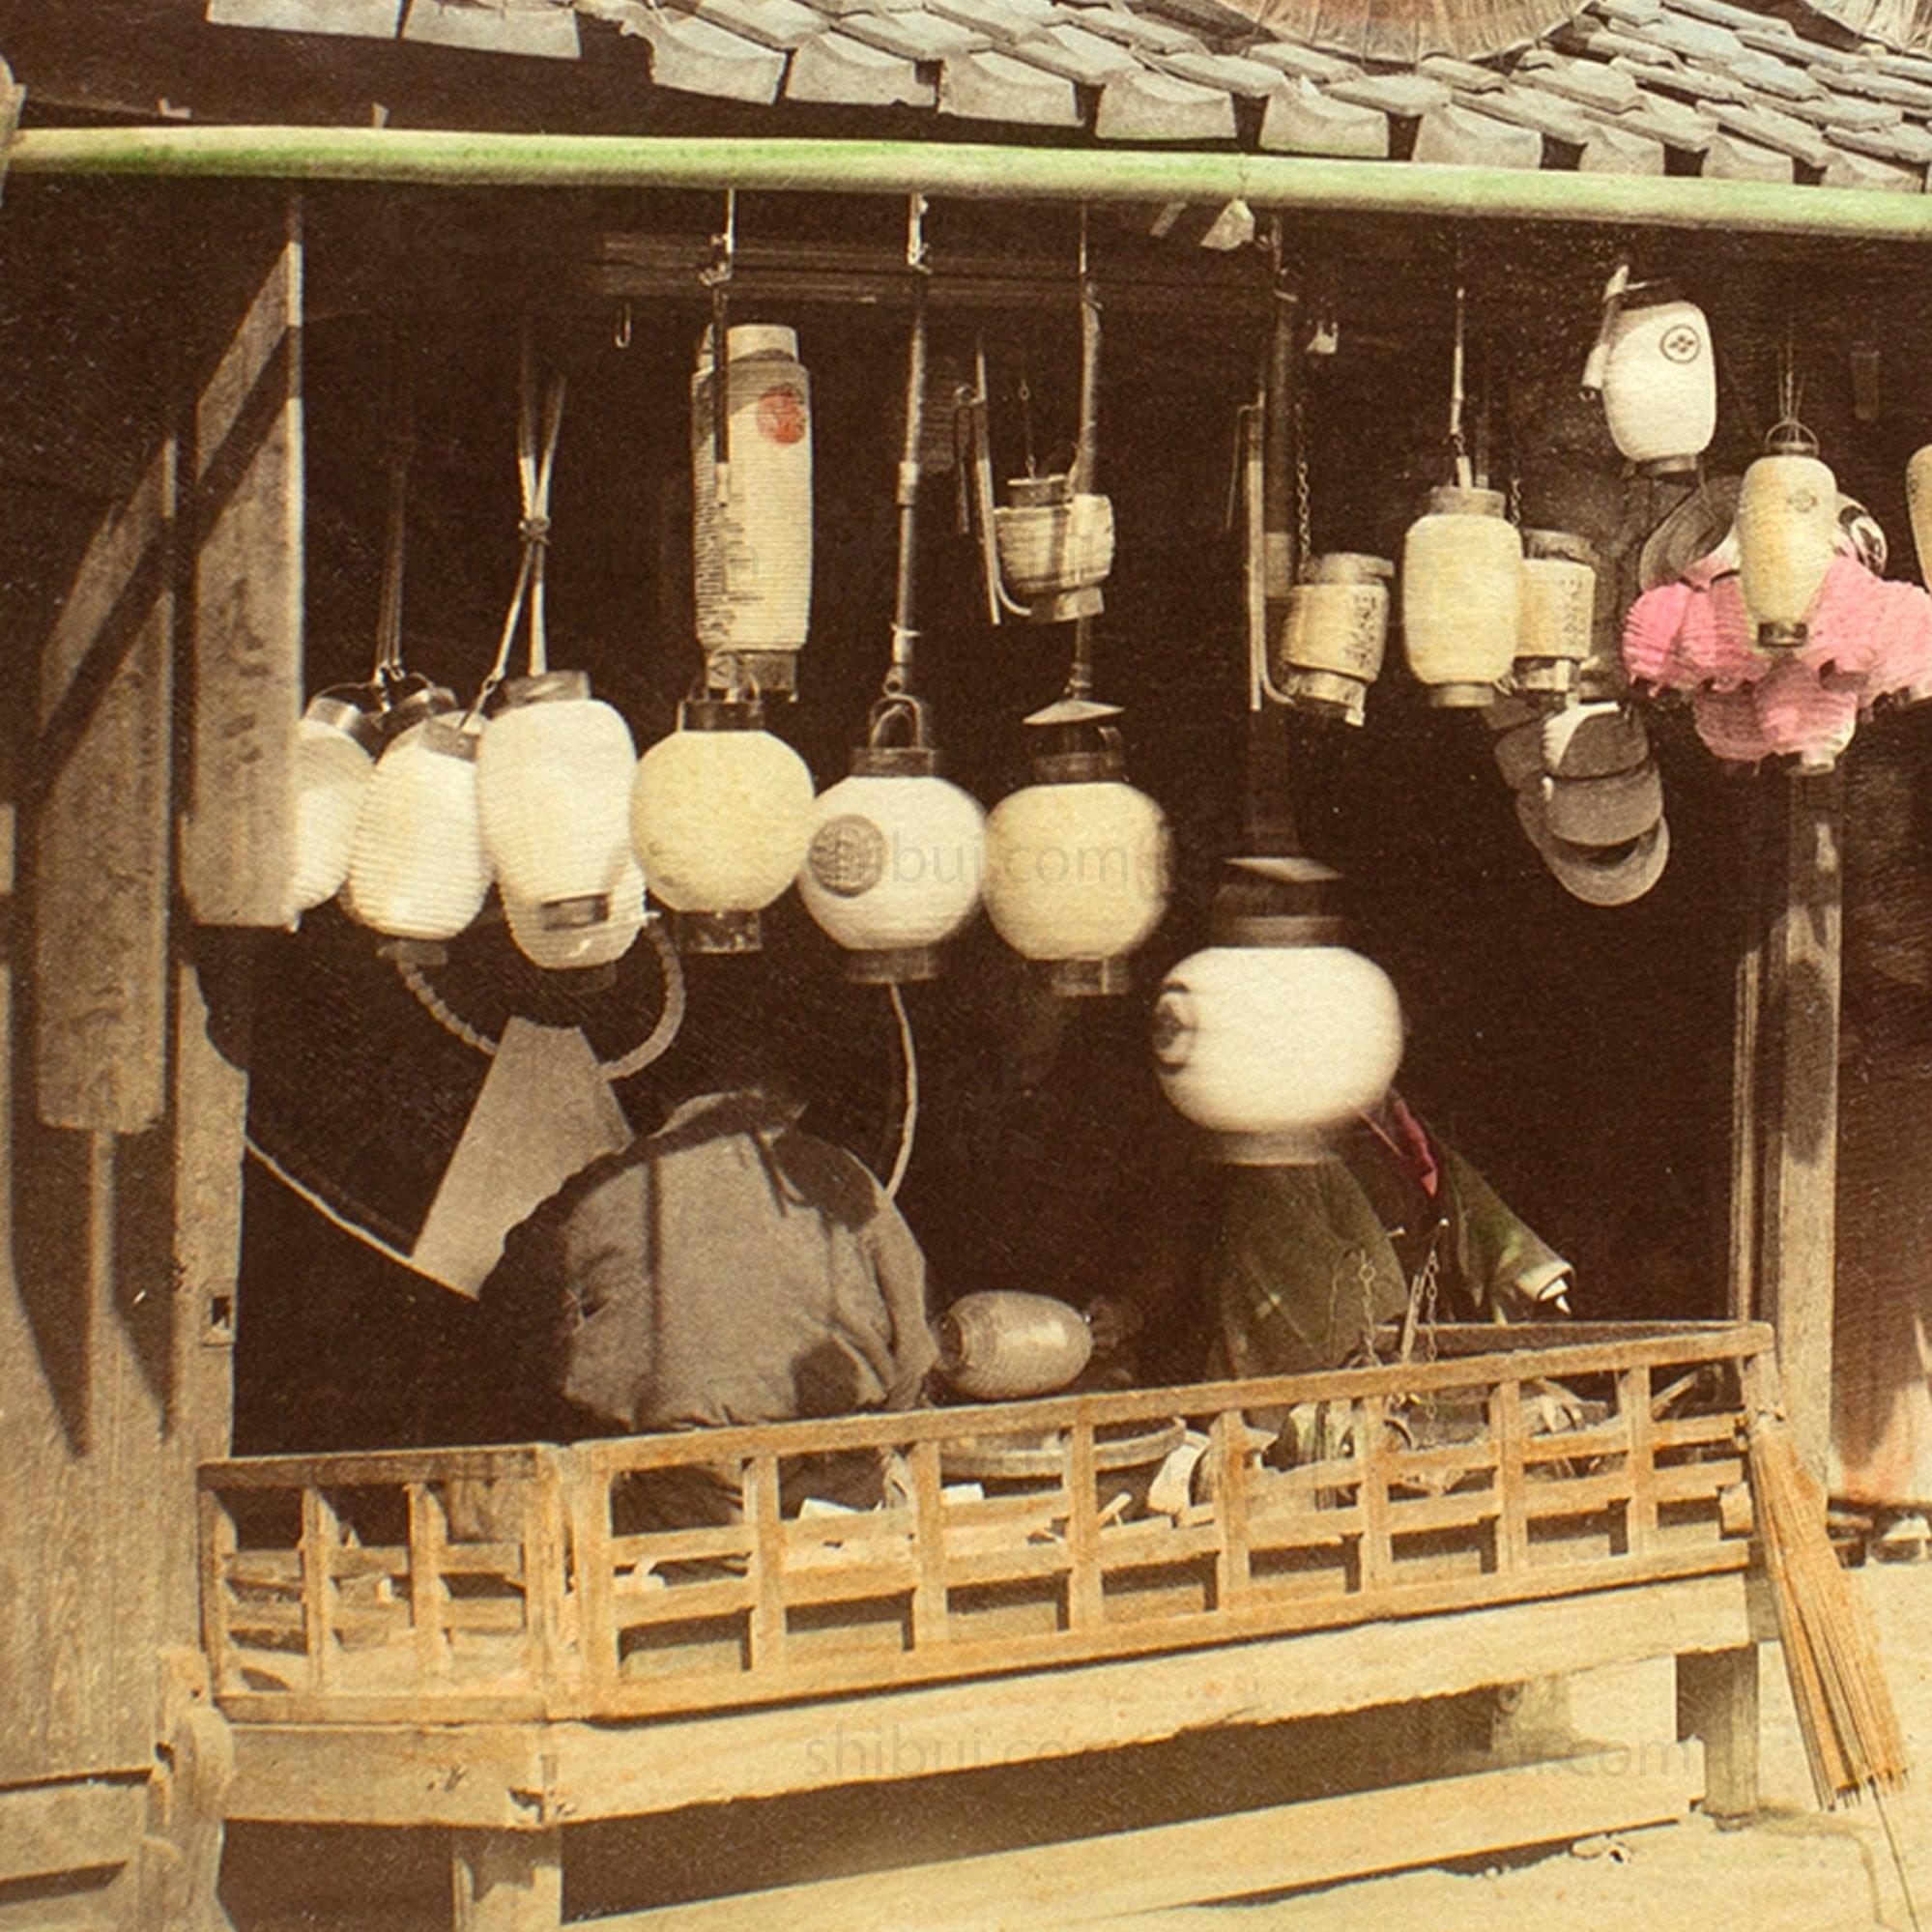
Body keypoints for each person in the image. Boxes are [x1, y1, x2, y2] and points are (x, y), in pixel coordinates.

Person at [473, 1009, 937, 1530]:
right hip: (835, 1499)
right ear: (793, 1104)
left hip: (677, 1501)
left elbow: (507, 1313)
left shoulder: (603, 1187)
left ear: (670, 1102)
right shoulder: (845, 1178)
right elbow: (918, 1350)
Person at [1086, 1089, 1572, 1383]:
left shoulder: (1405, 1132)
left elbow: (1474, 1210)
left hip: (1414, 1339)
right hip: (1341, 1349)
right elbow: (1193, 1234)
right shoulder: (1288, 1138)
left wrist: (1532, 1273)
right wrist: (1134, 1307)